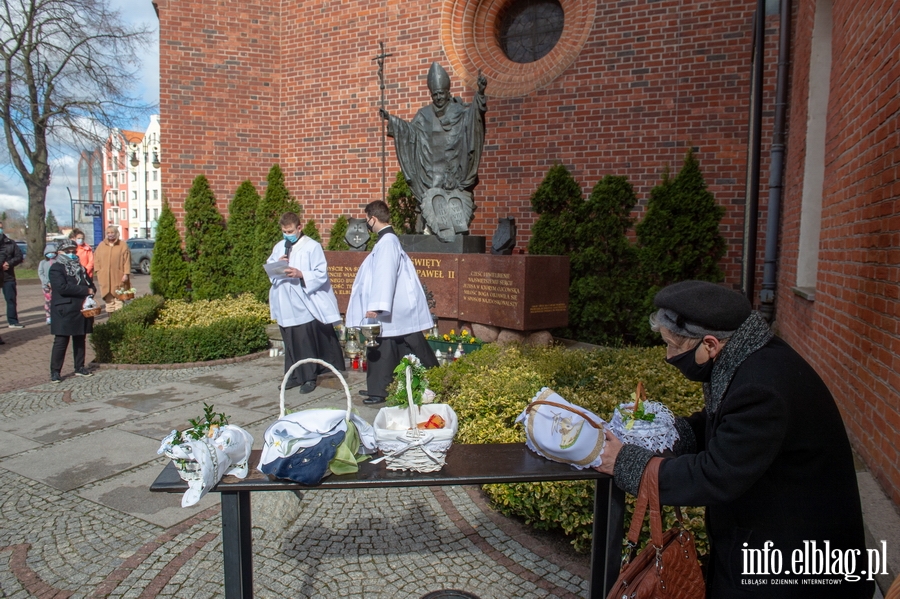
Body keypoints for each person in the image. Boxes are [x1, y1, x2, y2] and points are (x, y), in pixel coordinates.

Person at [597, 280, 873, 598]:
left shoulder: (762, 388)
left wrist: (626, 462)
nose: (668, 355)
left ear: (711, 345)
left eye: (673, 346)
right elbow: (724, 425)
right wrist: (668, 436)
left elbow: (716, 475)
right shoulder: (749, 358)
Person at [379, 62, 487, 242]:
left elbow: (474, 118)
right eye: (434, 94)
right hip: (431, 171)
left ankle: (457, 229)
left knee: (455, 203)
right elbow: (410, 132)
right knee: (430, 203)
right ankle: (432, 230)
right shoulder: (424, 114)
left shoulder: (459, 111)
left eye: (441, 94)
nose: (438, 97)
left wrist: (480, 93)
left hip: (454, 168)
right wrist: (392, 120)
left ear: (447, 93)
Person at [346, 200, 438, 404]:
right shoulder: (387, 241)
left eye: (367, 219)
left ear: (373, 218)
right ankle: (379, 387)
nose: (367, 223)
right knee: (390, 346)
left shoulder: (387, 243)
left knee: (389, 347)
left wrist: (377, 306)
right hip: (393, 309)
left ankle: (381, 391)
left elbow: (385, 275)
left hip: (392, 309)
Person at [267, 212, 345, 394]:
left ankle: (309, 377)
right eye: (284, 231)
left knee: (304, 342)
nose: (287, 234)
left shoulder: (312, 246)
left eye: (290, 231)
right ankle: (293, 375)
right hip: (284, 302)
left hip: (302, 303)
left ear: (299, 228)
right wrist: (277, 265)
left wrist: (301, 274)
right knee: (289, 342)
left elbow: (321, 273)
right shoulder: (280, 247)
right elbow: (270, 269)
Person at [48, 238, 96, 382]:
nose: (71, 254)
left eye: (73, 251)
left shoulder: (80, 268)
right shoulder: (56, 268)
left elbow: (90, 284)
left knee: (80, 338)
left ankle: (79, 366)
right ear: (60, 252)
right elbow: (61, 288)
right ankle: (55, 371)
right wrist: (85, 290)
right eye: (67, 251)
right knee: (61, 340)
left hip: (80, 308)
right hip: (64, 308)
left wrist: (91, 290)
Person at [93, 226, 131, 313]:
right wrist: (98, 271)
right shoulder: (101, 245)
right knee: (109, 302)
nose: (110, 235)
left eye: (112, 233)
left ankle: (119, 321)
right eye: (108, 233)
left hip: (118, 276)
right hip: (105, 277)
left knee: (118, 301)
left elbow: (127, 261)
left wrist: (126, 273)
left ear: (116, 233)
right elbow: (96, 259)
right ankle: (111, 321)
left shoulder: (122, 245)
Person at [0, 220, 25, 329]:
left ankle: (13, 321)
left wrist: (9, 263)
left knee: (11, 299)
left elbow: (19, 256)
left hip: (8, 276)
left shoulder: (10, 242)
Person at [38, 243, 58, 324]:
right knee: (48, 301)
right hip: (46, 286)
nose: (51, 254)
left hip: (56, 285)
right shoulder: (42, 263)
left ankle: (55, 316)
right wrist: (47, 282)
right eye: (49, 253)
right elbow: (41, 273)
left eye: (53, 252)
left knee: (56, 301)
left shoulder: (57, 262)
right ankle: (48, 317)